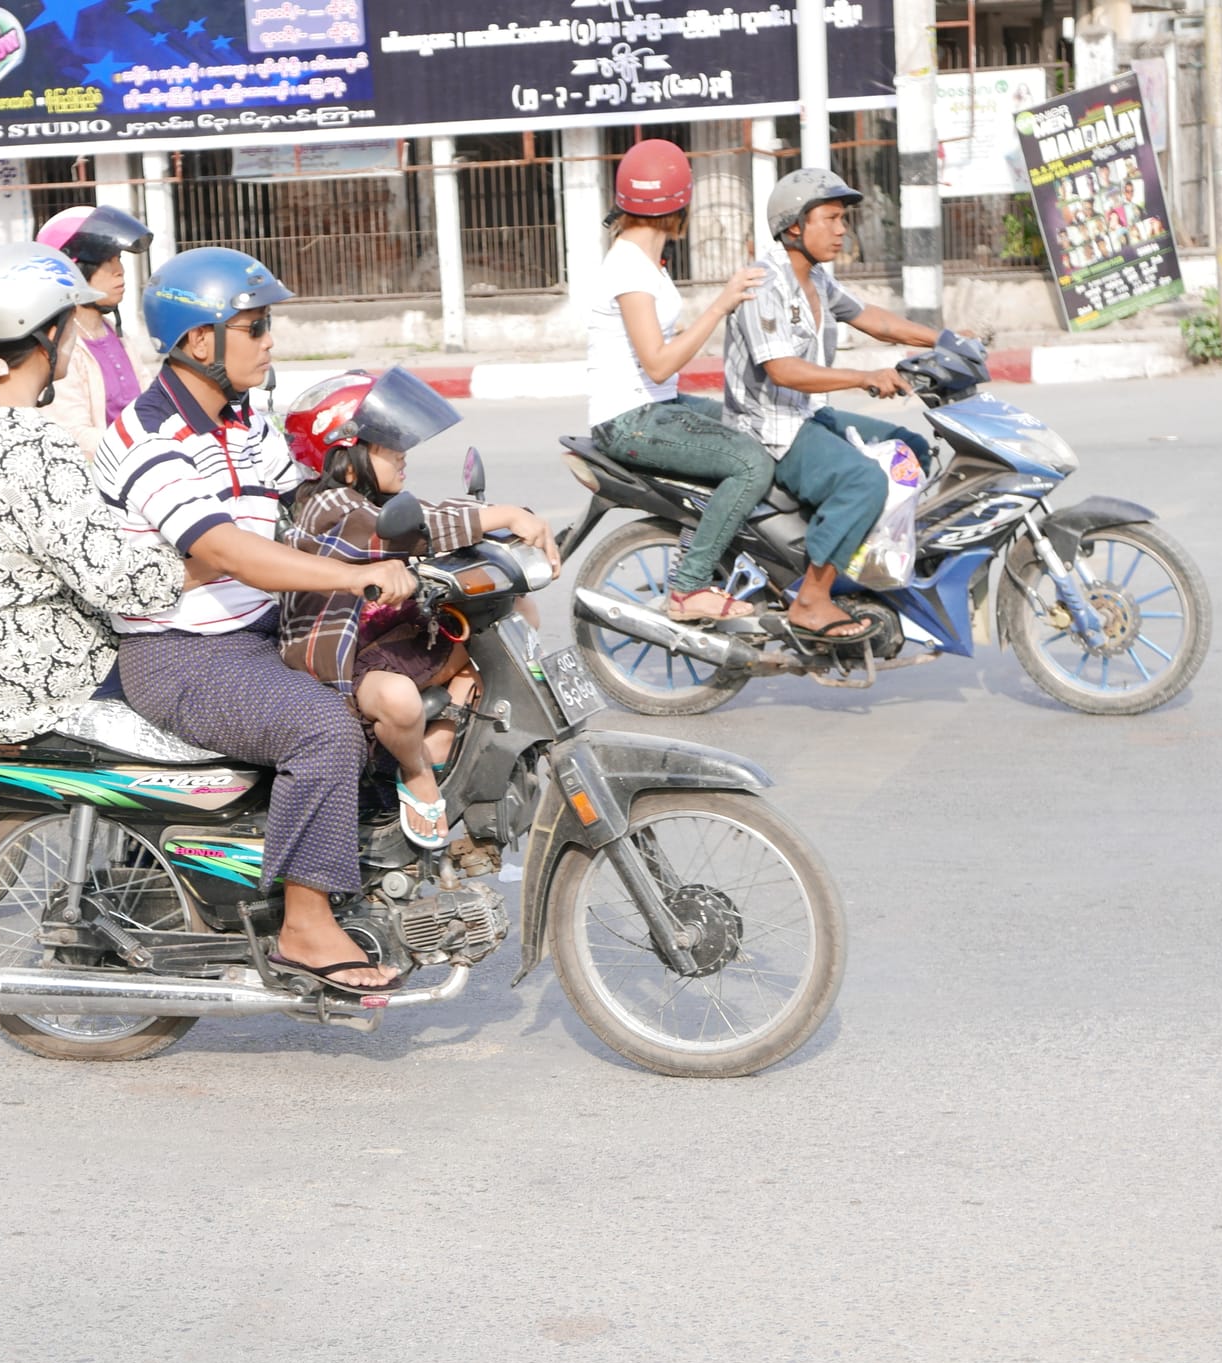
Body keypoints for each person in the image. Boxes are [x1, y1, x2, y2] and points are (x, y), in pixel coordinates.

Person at [95, 248, 416, 997]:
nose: (270, 341)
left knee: (408, 680)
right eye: (256, 326)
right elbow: (229, 551)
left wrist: (454, 530)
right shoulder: (148, 438)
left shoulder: (245, 424)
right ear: (199, 340)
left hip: (259, 634)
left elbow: (309, 508)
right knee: (324, 729)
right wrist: (354, 577)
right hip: (183, 655)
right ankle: (305, 925)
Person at [0, 242, 187, 745]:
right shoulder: (37, 442)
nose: (76, 339)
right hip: (35, 678)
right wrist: (204, 565)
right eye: (72, 325)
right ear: (50, 335)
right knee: (198, 675)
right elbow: (115, 582)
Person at [277, 369, 558, 849]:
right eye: (388, 445)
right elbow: (411, 528)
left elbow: (431, 511)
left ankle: (444, 737)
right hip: (342, 664)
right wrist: (507, 514)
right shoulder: (326, 507)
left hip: (388, 638)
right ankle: (416, 771)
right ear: (347, 463)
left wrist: (505, 530)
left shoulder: (372, 499)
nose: (402, 452)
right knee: (400, 699)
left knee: (514, 615)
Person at [720, 169, 941, 645]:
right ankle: (812, 599)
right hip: (770, 428)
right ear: (794, 225)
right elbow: (783, 370)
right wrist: (864, 377)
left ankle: (867, 561)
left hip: (805, 414)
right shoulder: (764, 285)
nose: (842, 230)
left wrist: (945, 340)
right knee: (864, 481)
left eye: (844, 219)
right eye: (832, 218)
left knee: (911, 446)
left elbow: (873, 319)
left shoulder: (816, 279)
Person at [585, 138, 774, 621]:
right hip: (629, 422)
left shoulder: (645, 258)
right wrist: (721, 304)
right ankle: (689, 588)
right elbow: (658, 363)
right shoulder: (629, 266)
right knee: (750, 464)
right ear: (679, 207)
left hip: (656, 406)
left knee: (755, 423)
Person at [35, 204, 158, 460]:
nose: (120, 271)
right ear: (73, 271)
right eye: (106, 261)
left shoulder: (115, 334)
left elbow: (149, 399)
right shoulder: (62, 345)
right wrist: (143, 449)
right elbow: (74, 434)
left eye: (118, 258)